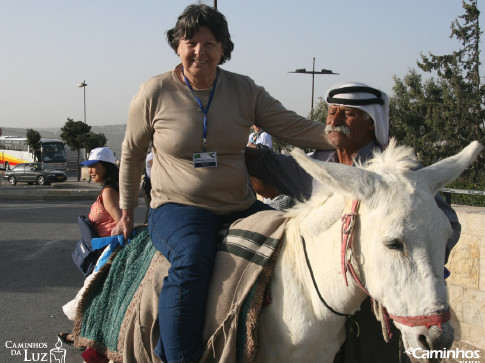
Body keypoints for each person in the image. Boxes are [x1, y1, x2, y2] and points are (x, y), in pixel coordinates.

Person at [111, 4, 333, 363]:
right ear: (177, 46)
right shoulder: (154, 92)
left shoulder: (244, 90)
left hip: (239, 204)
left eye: (211, 43)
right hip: (178, 207)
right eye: (191, 42)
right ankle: (181, 357)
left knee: (296, 237)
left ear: (223, 48)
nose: (201, 51)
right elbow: (132, 153)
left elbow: (292, 125)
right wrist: (125, 210)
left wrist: (340, 137)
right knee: (192, 256)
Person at [246, 81, 461, 363]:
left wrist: (402, 267)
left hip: (380, 304)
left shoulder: (398, 174)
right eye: (331, 111)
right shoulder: (319, 165)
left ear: (371, 122)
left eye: (347, 113)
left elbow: (447, 224)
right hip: (322, 305)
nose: (334, 120)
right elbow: (263, 163)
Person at [58, 147, 121, 346]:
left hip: (107, 253)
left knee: (87, 297)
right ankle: (82, 337)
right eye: (89, 167)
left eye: (94, 166)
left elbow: (121, 224)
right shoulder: (107, 190)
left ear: (107, 168)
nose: (90, 170)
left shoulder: (109, 192)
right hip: (101, 253)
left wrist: (109, 249)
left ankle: (82, 338)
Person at [142, 151, 154, 224]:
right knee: (150, 208)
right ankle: (146, 226)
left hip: (153, 185)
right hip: (148, 186)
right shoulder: (151, 156)